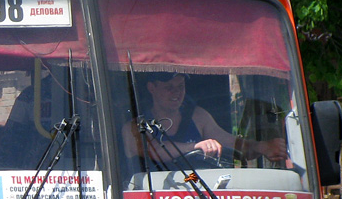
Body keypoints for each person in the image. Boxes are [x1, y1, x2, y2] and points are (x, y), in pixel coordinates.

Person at [122, 72, 286, 169]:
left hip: (199, 197)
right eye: (169, 87)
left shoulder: (198, 117)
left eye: (181, 86)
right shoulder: (134, 128)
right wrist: (196, 147)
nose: (176, 93)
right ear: (152, 88)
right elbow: (156, 150)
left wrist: (261, 146)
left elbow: (231, 144)